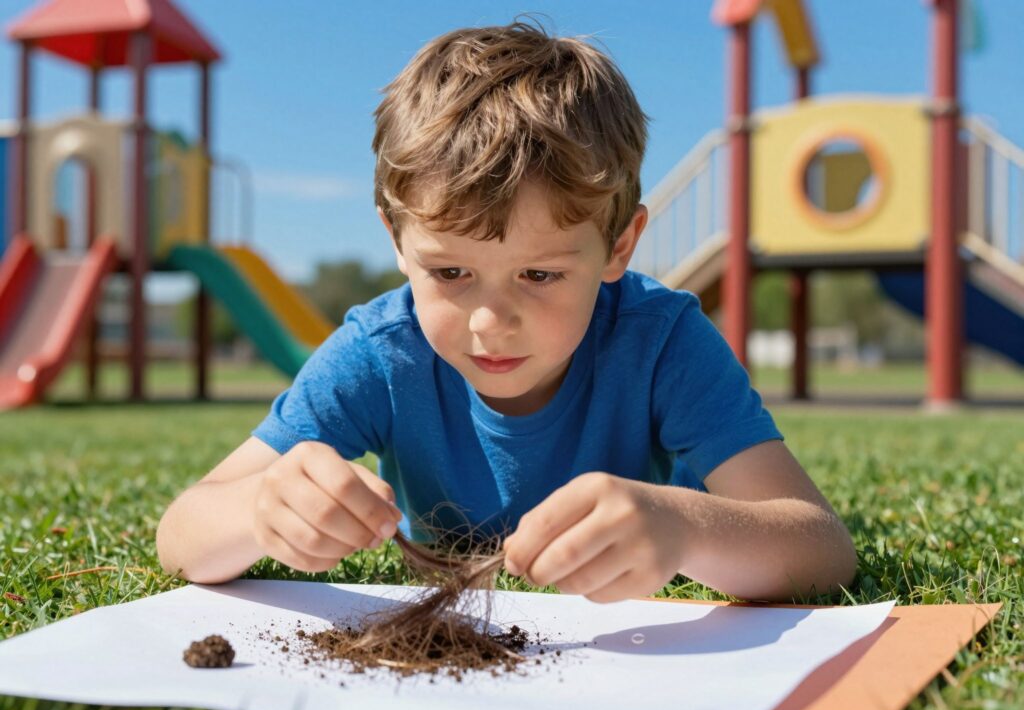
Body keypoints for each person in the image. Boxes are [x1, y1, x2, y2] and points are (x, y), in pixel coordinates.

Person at [156, 20, 857, 603]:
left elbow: (820, 545)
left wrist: (683, 530)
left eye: (541, 274)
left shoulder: (662, 340)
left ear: (619, 246)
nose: (491, 322)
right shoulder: (379, 351)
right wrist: (260, 511)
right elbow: (182, 533)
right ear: (396, 241)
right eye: (451, 271)